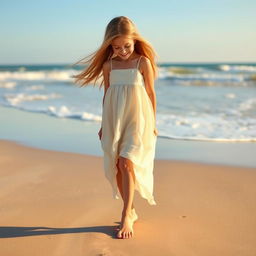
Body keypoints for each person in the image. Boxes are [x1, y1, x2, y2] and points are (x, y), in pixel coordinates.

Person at [72, 16, 158, 239]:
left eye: (127, 46)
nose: (123, 51)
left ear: (135, 40)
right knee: (118, 164)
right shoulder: (108, 65)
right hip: (114, 118)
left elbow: (150, 93)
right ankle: (131, 209)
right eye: (117, 47)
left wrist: (154, 123)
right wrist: (103, 124)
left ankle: (125, 214)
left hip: (139, 118)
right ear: (109, 44)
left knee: (127, 160)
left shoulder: (142, 63)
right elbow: (107, 94)